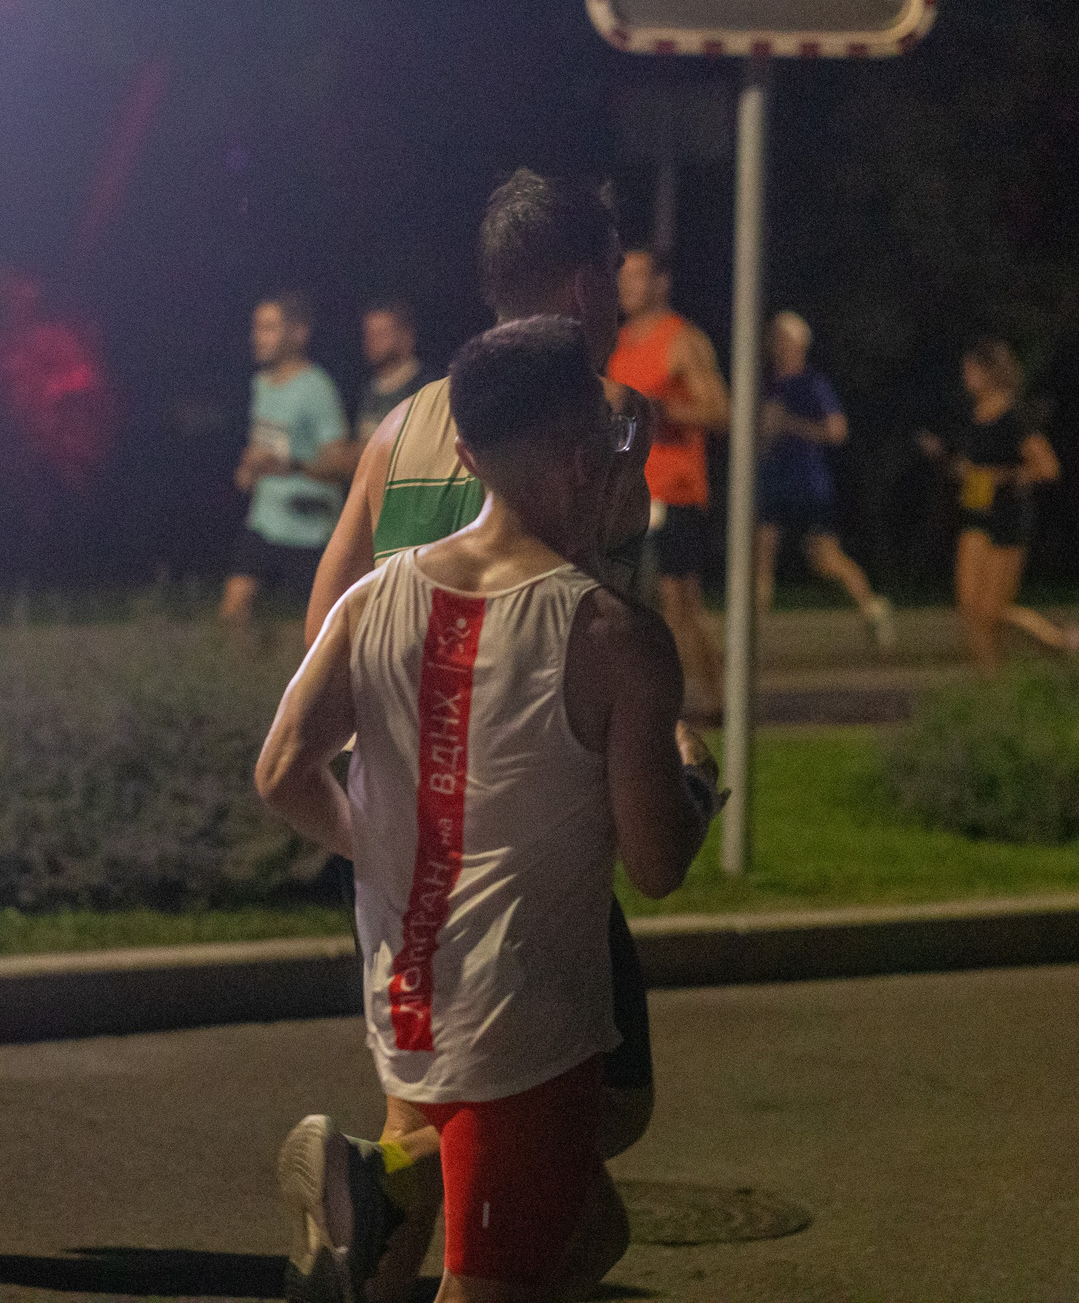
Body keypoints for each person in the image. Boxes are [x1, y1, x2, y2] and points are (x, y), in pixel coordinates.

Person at [259, 317, 715, 1303]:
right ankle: (373, 1192)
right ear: (586, 451)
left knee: (582, 1230)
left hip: (409, 1007)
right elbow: (658, 862)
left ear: (464, 453)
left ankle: (371, 1187)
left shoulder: (371, 600)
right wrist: (694, 783)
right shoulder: (613, 636)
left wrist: (378, 848)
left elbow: (283, 770)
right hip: (529, 1025)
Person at [604, 247, 728, 714]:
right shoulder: (617, 343)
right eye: (623, 276)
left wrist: (664, 409)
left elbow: (722, 412)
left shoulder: (683, 340)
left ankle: (718, 702)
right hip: (631, 492)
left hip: (675, 491)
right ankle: (645, 706)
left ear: (661, 283)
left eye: (638, 276)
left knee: (679, 604)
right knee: (626, 605)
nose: (627, 286)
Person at [917, 339, 1079, 669]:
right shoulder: (974, 416)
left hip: (1009, 517)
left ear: (991, 372)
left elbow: (1047, 468)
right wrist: (954, 464)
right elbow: (972, 465)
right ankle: (991, 685)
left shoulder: (1015, 416)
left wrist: (1003, 477)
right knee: (969, 607)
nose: (965, 376)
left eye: (971, 370)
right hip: (976, 514)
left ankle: (1058, 639)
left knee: (993, 611)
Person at [755, 311, 896, 650]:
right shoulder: (768, 385)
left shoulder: (813, 383)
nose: (777, 345)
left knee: (825, 558)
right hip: (775, 481)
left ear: (799, 344)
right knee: (761, 554)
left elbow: (836, 431)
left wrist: (790, 424)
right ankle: (752, 635)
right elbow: (763, 437)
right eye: (775, 338)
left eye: (783, 339)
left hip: (809, 483)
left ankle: (872, 607)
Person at [221, 291, 348, 626]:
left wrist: (291, 466)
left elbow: (339, 465)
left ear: (298, 333)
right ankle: (238, 679)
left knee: (313, 633)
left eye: (268, 328)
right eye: (257, 328)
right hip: (265, 520)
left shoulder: (317, 388)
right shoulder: (260, 383)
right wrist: (247, 469)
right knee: (233, 611)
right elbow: (261, 444)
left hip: (310, 527)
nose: (256, 337)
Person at [319, 300, 422, 482]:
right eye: (368, 333)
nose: (372, 341)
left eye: (381, 334)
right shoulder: (365, 389)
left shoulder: (425, 389)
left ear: (407, 337)